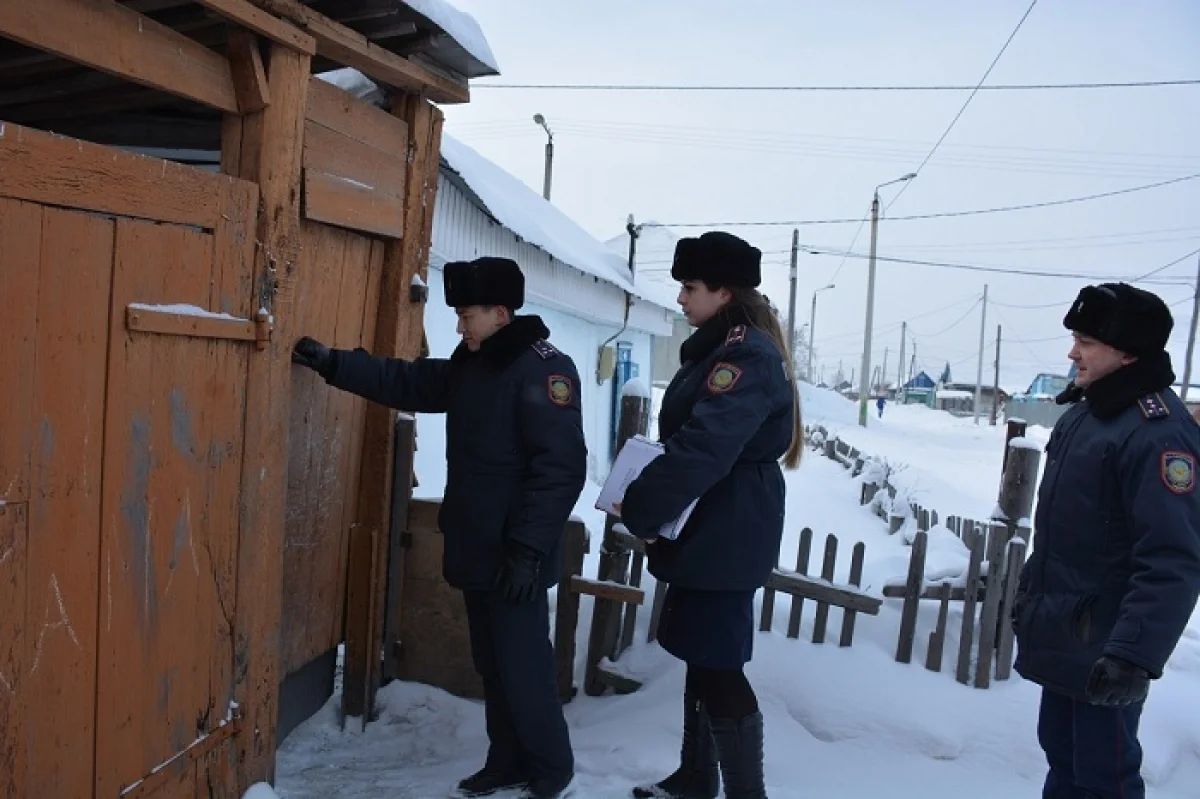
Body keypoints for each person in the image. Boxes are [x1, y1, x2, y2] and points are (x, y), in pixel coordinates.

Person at [291, 256, 587, 799]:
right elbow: (408, 381)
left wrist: (526, 549)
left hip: (514, 555)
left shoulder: (544, 371)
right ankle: (507, 761)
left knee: (524, 669)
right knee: (492, 666)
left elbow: (561, 469)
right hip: (477, 546)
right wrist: (335, 364)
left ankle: (551, 768)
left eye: (466, 314)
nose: (458, 326)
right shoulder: (473, 365)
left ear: (501, 313)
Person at [618, 231, 803, 799]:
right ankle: (696, 779)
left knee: (721, 669)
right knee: (704, 658)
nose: (680, 298)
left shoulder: (744, 355)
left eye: (689, 287)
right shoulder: (725, 348)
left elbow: (704, 447)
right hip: (712, 527)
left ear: (723, 294)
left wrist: (644, 508)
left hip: (727, 531)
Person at [1012, 282, 1200, 799]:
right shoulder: (1086, 415)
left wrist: (1131, 658)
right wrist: (1031, 597)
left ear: (1128, 352)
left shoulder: (1158, 433)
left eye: (1086, 341)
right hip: (1070, 634)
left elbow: (1172, 560)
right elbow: (1062, 533)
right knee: (1062, 756)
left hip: (1107, 648)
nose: (1073, 352)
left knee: (1104, 777)